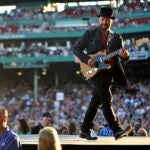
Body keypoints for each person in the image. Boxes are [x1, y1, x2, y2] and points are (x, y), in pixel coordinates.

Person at [72, 7, 132, 140]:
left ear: (112, 21)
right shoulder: (90, 33)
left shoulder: (116, 38)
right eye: (102, 19)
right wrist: (87, 59)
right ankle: (116, 129)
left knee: (95, 102)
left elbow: (122, 57)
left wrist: (125, 56)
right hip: (95, 71)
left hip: (109, 73)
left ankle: (85, 129)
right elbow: (76, 48)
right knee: (107, 100)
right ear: (99, 19)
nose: (104, 22)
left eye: (107, 20)